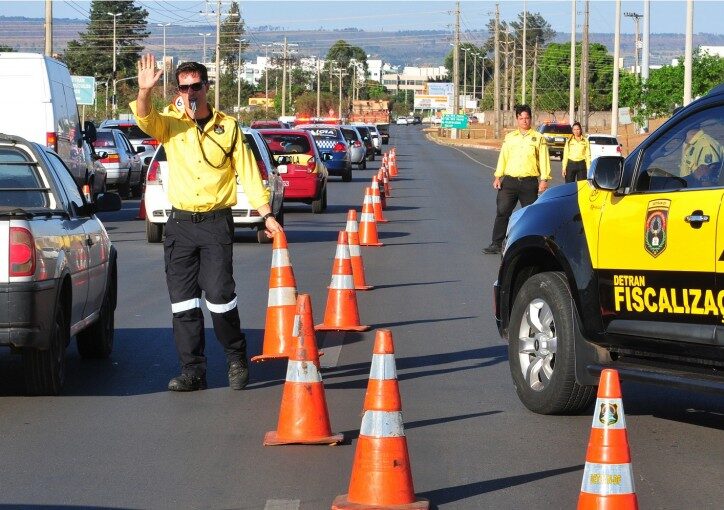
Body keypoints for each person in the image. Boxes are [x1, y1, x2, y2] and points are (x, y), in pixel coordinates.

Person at [130, 55, 283, 392]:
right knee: (183, 302)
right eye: (183, 88)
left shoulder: (227, 127)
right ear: (178, 91)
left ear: (206, 87)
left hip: (215, 224)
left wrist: (266, 214)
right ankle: (192, 371)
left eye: (195, 86)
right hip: (180, 225)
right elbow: (145, 119)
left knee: (219, 296)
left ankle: (235, 356)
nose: (190, 93)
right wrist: (144, 93)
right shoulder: (170, 123)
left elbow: (247, 172)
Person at [482, 104, 551, 255]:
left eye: (527, 118)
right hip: (510, 182)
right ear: (517, 119)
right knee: (502, 212)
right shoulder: (510, 138)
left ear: (531, 119)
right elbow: (503, 158)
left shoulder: (538, 138)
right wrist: (497, 176)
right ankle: (496, 243)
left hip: (529, 182)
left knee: (530, 215)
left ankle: (531, 245)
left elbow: (545, 160)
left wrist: (544, 179)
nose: (524, 121)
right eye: (521, 118)